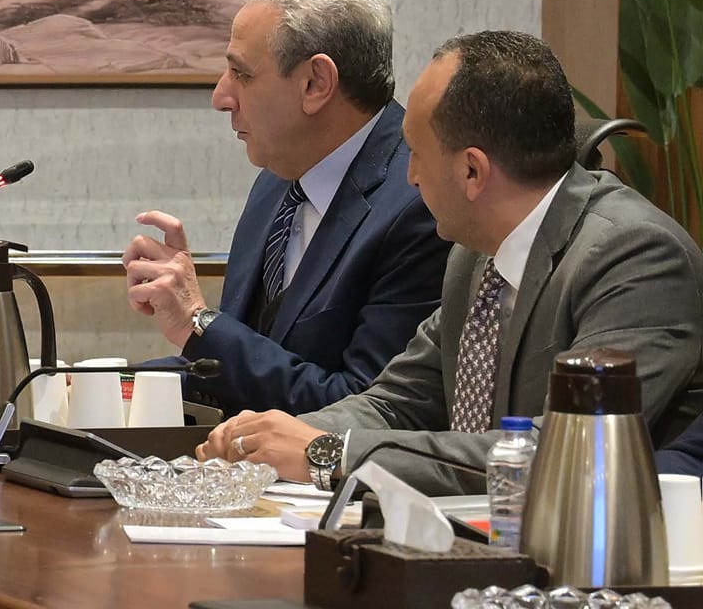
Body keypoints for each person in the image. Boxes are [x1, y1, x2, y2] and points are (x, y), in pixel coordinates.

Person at [200, 31, 703, 494]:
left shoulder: (636, 257)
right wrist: (268, 438)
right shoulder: (474, 255)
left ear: (472, 171)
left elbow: (567, 453)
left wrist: (331, 453)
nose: (410, 177)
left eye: (416, 153)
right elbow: (397, 402)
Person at [123, 0, 450, 416]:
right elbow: (237, 372)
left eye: (241, 73)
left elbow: (366, 411)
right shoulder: (278, 177)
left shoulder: (421, 201)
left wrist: (198, 323)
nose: (220, 97)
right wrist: (99, 385)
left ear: (316, 83)